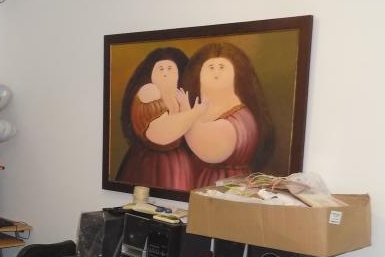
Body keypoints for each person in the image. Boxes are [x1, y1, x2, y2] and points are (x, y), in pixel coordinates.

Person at [181, 41, 274, 188]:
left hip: (226, 186)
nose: (216, 73)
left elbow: (210, 149)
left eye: (222, 67)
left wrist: (186, 116)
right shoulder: (199, 109)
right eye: (211, 68)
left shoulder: (240, 116)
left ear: (236, 73)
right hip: (199, 183)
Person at [115, 47, 203, 191]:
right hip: (149, 164)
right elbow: (161, 133)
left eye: (170, 69)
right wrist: (195, 113)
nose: (165, 73)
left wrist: (187, 109)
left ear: (178, 73)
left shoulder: (181, 97)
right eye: (160, 69)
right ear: (151, 74)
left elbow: (189, 133)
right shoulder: (148, 92)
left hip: (179, 165)